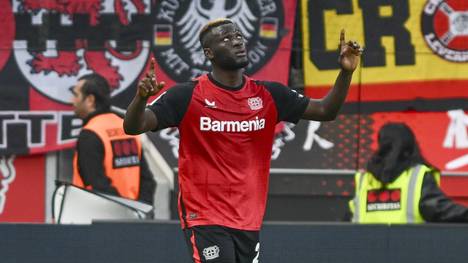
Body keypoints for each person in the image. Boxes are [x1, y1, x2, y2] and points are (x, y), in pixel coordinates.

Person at [124, 18, 362, 262]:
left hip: (248, 219)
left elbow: (325, 111)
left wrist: (345, 72)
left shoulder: (268, 95)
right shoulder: (187, 95)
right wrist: (141, 99)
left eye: (238, 36)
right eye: (226, 39)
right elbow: (134, 126)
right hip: (205, 217)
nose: (237, 42)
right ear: (209, 53)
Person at [348, 122, 468, 223]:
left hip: (366, 249)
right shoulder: (417, 176)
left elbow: (348, 219)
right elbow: (439, 209)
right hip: (409, 247)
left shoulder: (364, 179)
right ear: (410, 146)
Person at [70, 73, 156, 205]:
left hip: (100, 217)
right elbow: (147, 180)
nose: (72, 101)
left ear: (90, 100)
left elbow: (97, 185)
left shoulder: (91, 133)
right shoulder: (126, 128)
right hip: (133, 217)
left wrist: (123, 212)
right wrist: (139, 212)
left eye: (76, 95)